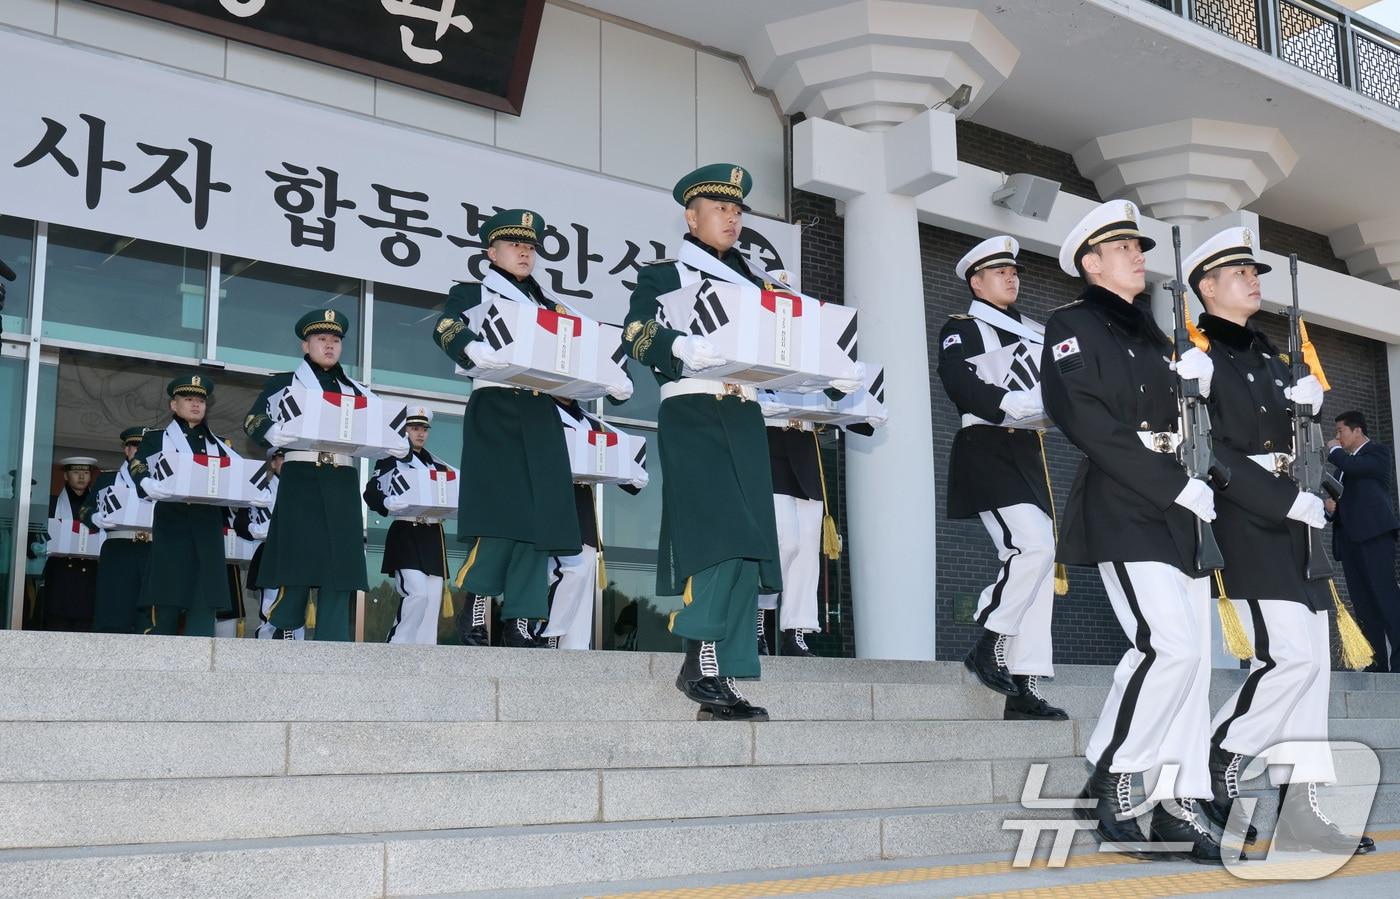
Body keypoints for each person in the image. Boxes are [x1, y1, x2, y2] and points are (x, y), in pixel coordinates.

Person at [620, 164, 859, 719]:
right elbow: (636, 332)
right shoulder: (666, 275)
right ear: (691, 215)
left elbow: (788, 346)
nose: (732, 218)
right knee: (718, 533)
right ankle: (699, 662)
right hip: (693, 405)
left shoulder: (758, 283)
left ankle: (721, 675)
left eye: (737, 210)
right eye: (720, 209)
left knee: (752, 542)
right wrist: (679, 346)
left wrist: (829, 372)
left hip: (747, 411)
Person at [1042, 200, 1224, 862]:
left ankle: (1178, 801)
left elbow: (1195, 431)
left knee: (1195, 663)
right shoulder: (1072, 325)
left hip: (1182, 508)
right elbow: (1085, 419)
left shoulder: (1158, 336)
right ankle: (1112, 774)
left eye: (1139, 247)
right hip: (1125, 502)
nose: (1138, 256)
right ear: (1091, 262)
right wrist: (1172, 481)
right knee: (1167, 646)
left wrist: (1202, 389)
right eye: (1123, 248)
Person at [1184, 227, 1372, 855]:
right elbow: (1209, 453)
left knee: (1315, 669)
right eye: (1239, 272)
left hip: (1299, 521)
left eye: (1254, 271)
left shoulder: (1275, 358)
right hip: (1249, 518)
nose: (1253, 279)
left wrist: (1312, 410)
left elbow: (1299, 444)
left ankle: (1301, 811)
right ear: (1207, 288)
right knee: (1288, 658)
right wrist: (1281, 498)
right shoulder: (1200, 359)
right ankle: (1221, 753)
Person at [432, 209, 619, 647]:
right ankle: (476, 607)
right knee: (501, 517)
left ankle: (521, 618)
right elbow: (446, 328)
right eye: (515, 245)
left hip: (541, 411)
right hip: (497, 403)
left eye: (530, 247)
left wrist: (611, 371)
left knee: (539, 521)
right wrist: (471, 348)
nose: (524, 253)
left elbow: (584, 344)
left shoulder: (551, 305)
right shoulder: (473, 292)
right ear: (491, 251)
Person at [937, 235, 1065, 720]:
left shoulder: (1035, 330)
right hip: (986, 444)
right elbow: (958, 379)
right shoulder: (963, 325)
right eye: (999, 271)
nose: (1012, 277)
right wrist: (1005, 403)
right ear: (976, 281)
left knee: (1040, 561)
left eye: (1014, 271)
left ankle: (1022, 686)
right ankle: (990, 638)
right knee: (1031, 547)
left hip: (1030, 450)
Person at [244, 309, 379, 642]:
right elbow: (253, 421)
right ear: (306, 346)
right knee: (297, 561)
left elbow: (383, 428)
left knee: (340, 569)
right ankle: (281, 631)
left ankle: (335, 646)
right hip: (302, 477)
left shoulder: (359, 391)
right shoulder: (283, 384)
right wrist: (274, 433)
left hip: (342, 481)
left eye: (335, 341)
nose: (329, 346)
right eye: (321, 340)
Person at [129, 375, 232, 637]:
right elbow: (137, 464)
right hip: (172, 520)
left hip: (207, 522)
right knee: (167, 594)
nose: (196, 405)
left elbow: (234, 474)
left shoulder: (218, 443)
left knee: (204, 595)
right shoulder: (155, 438)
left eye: (200, 400)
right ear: (173, 405)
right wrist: (146, 482)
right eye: (188, 399)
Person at [364, 406, 451, 645]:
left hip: (432, 534)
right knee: (417, 593)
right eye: (414, 428)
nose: (420, 433)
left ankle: (424, 651)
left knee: (432, 600)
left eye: (424, 429)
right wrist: (386, 502)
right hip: (406, 531)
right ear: (404, 431)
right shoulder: (390, 458)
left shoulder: (438, 464)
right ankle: (399, 645)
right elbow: (371, 493)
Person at [1327, 410, 1400, 672]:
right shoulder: (1341, 468)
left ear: (1357, 431)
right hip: (1349, 541)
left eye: (1340, 432)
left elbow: (1357, 467)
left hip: (1374, 536)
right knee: (1363, 603)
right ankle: (1375, 662)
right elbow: (1337, 496)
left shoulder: (1378, 453)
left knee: (1385, 596)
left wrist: (1334, 451)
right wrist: (1329, 508)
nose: (1337, 437)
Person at [80, 427, 152, 634]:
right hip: (119, 545)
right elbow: (85, 508)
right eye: (135, 447)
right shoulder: (108, 478)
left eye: (145, 448)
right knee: (113, 606)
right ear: (126, 450)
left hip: (153, 548)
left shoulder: (160, 479)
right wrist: (95, 517)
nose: (139, 452)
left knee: (149, 613)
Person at [231, 449, 294, 639]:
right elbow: (240, 522)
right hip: (270, 553)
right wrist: (255, 529)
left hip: (297, 554)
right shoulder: (258, 489)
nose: (288, 463)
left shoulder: (305, 491)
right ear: (273, 463)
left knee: (295, 606)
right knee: (270, 607)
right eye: (283, 458)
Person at [39, 456, 100, 632]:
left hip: (89, 578)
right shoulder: (51, 504)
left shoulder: (100, 506)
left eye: (86, 473)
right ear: (66, 476)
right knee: (56, 629)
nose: (81, 477)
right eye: (75, 472)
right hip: (60, 577)